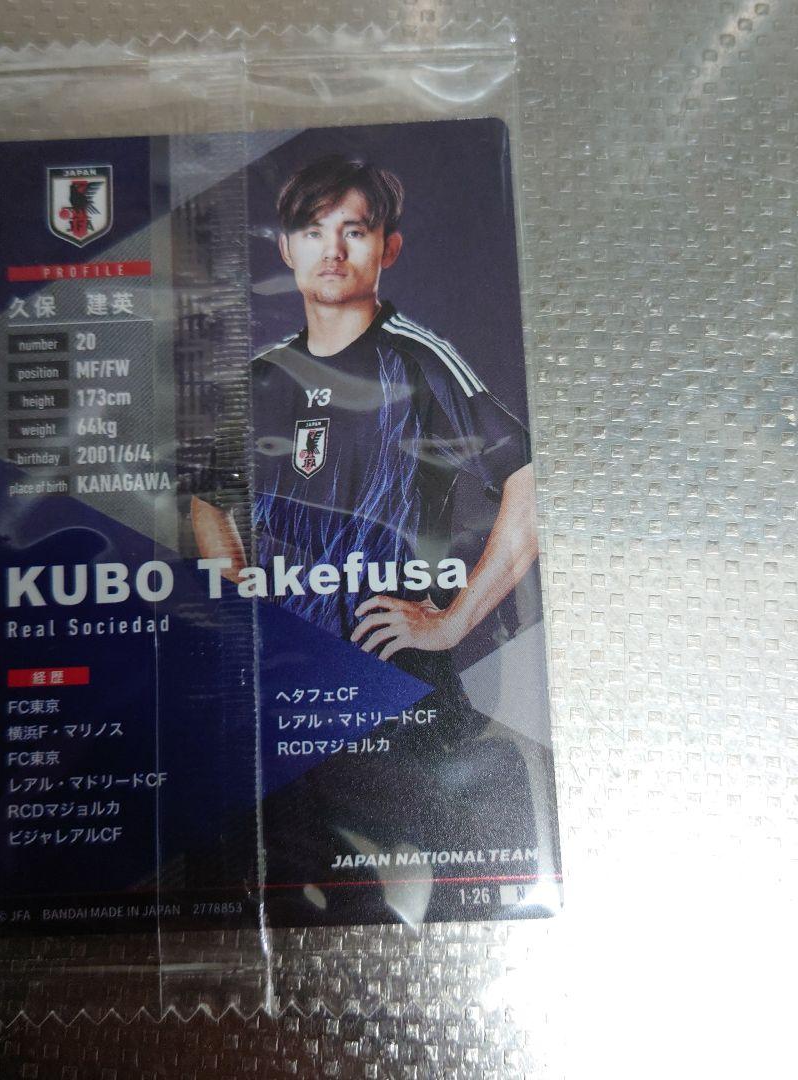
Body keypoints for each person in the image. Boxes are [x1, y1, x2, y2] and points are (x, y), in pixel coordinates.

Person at [190, 154, 543, 922]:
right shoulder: (261, 379)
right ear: (286, 248)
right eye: (313, 231)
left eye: (354, 230)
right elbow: (208, 501)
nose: (333, 249)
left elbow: (530, 483)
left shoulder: (420, 358)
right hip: (292, 697)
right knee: (271, 890)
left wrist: (453, 619)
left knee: (465, 887)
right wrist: (238, 593)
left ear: (389, 246)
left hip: (398, 690)